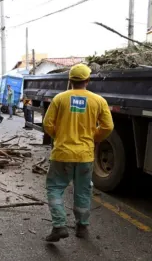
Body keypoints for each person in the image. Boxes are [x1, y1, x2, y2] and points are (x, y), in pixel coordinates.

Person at [43, 64, 113, 242]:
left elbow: (47, 124)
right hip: (85, 155)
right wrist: (93, 137)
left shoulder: (60, 99)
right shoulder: (98, 101)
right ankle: (82, 227)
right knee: (82, 191)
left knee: (55, 188)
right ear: (87, 81)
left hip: (62, 154)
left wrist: (59, 137)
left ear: (70, 80)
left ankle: (59, 226)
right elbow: (108, 127)